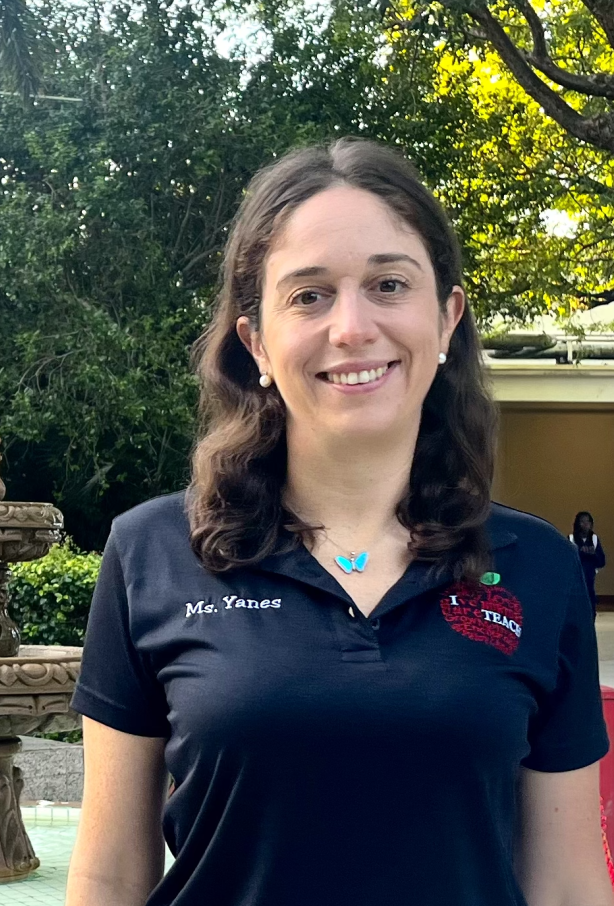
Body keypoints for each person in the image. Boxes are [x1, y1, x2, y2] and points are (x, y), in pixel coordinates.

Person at [65, 139, 612, 906]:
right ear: (256, 340)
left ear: (447, 317)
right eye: (309, 295)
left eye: (389, 283)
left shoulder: (538, 568)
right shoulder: (151, 553)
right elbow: (110, 874)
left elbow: (567, 884)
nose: (352, 327)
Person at [571, 511, 606, 615]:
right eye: (582, 521)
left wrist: (593, 554)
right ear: (577, 523)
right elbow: (569, 563)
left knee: (590, 611)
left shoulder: (594, 540)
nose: (585, 524)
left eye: (588, 522)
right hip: (576, 583)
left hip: (590, 581)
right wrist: (582, 553)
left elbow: (602, 562)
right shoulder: (571, 539)